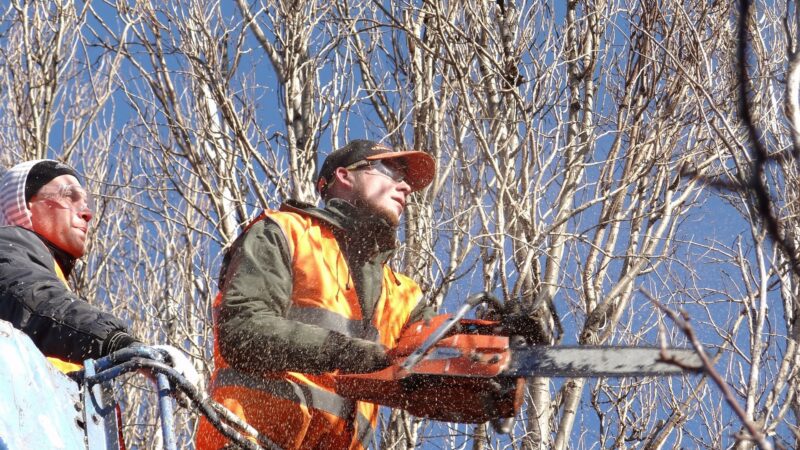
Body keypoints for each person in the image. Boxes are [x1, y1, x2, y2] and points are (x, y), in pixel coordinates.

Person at [197, 140, 437, 450]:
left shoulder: (402, 295)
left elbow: (445, 357)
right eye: (390, 170)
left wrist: (507, 338)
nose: (404, 186)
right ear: (344, 176)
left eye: (405, 179)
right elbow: (242, 333)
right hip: (246, 441)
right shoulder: (285, 232)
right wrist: (348, 352)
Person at [0, 159, 197, 381]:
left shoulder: (45, 268)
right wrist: (118, 342)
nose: (86, 213)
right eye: (68, 196)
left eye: (86, 202)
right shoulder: (8, 247)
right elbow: (34, 301)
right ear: (24, 204)